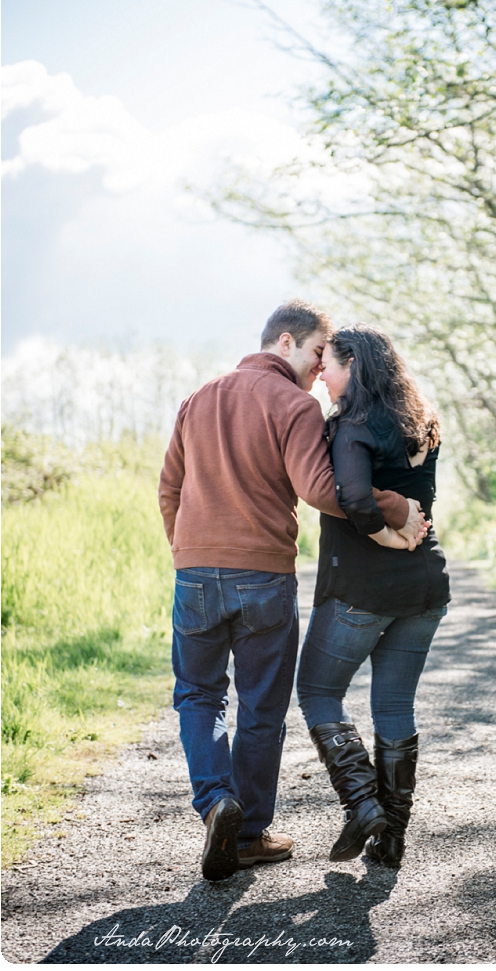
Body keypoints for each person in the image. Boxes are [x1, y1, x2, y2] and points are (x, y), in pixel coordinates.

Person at [158, 300, 426, 882]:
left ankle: (214, 802)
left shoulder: (197, 398)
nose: (316, 372)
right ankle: (248, 832)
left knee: (198, 697)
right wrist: (398, 505)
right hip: (265, 578)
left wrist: (189, 553)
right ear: (285, 343)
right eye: (313, 356)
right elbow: (320, 488)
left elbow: (169, 489)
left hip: (196, 574)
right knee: (261, 706)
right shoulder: (294, 404)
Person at [297, 324, 450, 867]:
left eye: (330, 366)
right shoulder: (422, 421)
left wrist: (383, 532)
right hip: (425, 586)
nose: (323, 376)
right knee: (393, 705)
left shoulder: (351, 425)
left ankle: (363, 804)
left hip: (362, 590)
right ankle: (391, 841)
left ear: (354, 366)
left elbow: (354, 497)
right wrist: (402, 530)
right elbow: (419, 498)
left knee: (316, 691)